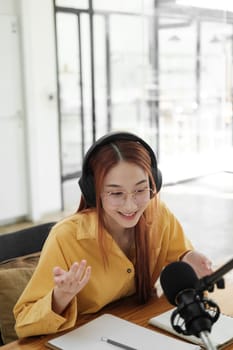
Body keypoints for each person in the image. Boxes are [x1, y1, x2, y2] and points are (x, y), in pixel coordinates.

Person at [14, 131, 212, 338]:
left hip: (140, 328)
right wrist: (60, 296)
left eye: (141, 190)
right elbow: (23, 323)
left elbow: (180, 256)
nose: (130, 205)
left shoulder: (158, 215)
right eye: (116, 193)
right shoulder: (66, 237)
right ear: (93, 192)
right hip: (84, 339)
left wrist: (188, 258)